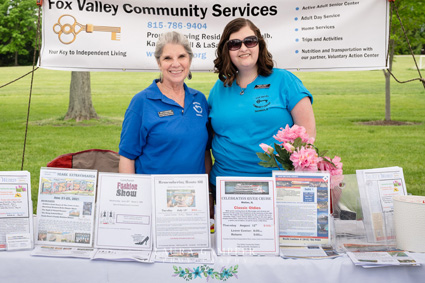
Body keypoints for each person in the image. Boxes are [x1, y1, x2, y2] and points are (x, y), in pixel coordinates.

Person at [208, 18, 316, 192]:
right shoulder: (219, 88)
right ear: (226, 50)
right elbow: (213, 133)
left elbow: (307, 135)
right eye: (234, 44)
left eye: (249, 41)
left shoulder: (285, 80)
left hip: (277, 185)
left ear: (259, 45)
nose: (243, 48)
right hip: (224, 184)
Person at [119, 31, 212, 175]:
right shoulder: (141, 102)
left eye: (181, 56)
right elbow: (127, 157)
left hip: (193, 195)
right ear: (159, 63)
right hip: (153, 194)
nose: (176, 64)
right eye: (168, 58)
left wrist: (208, 192)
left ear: (190, 60)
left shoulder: (199, 99)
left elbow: (205, 152)